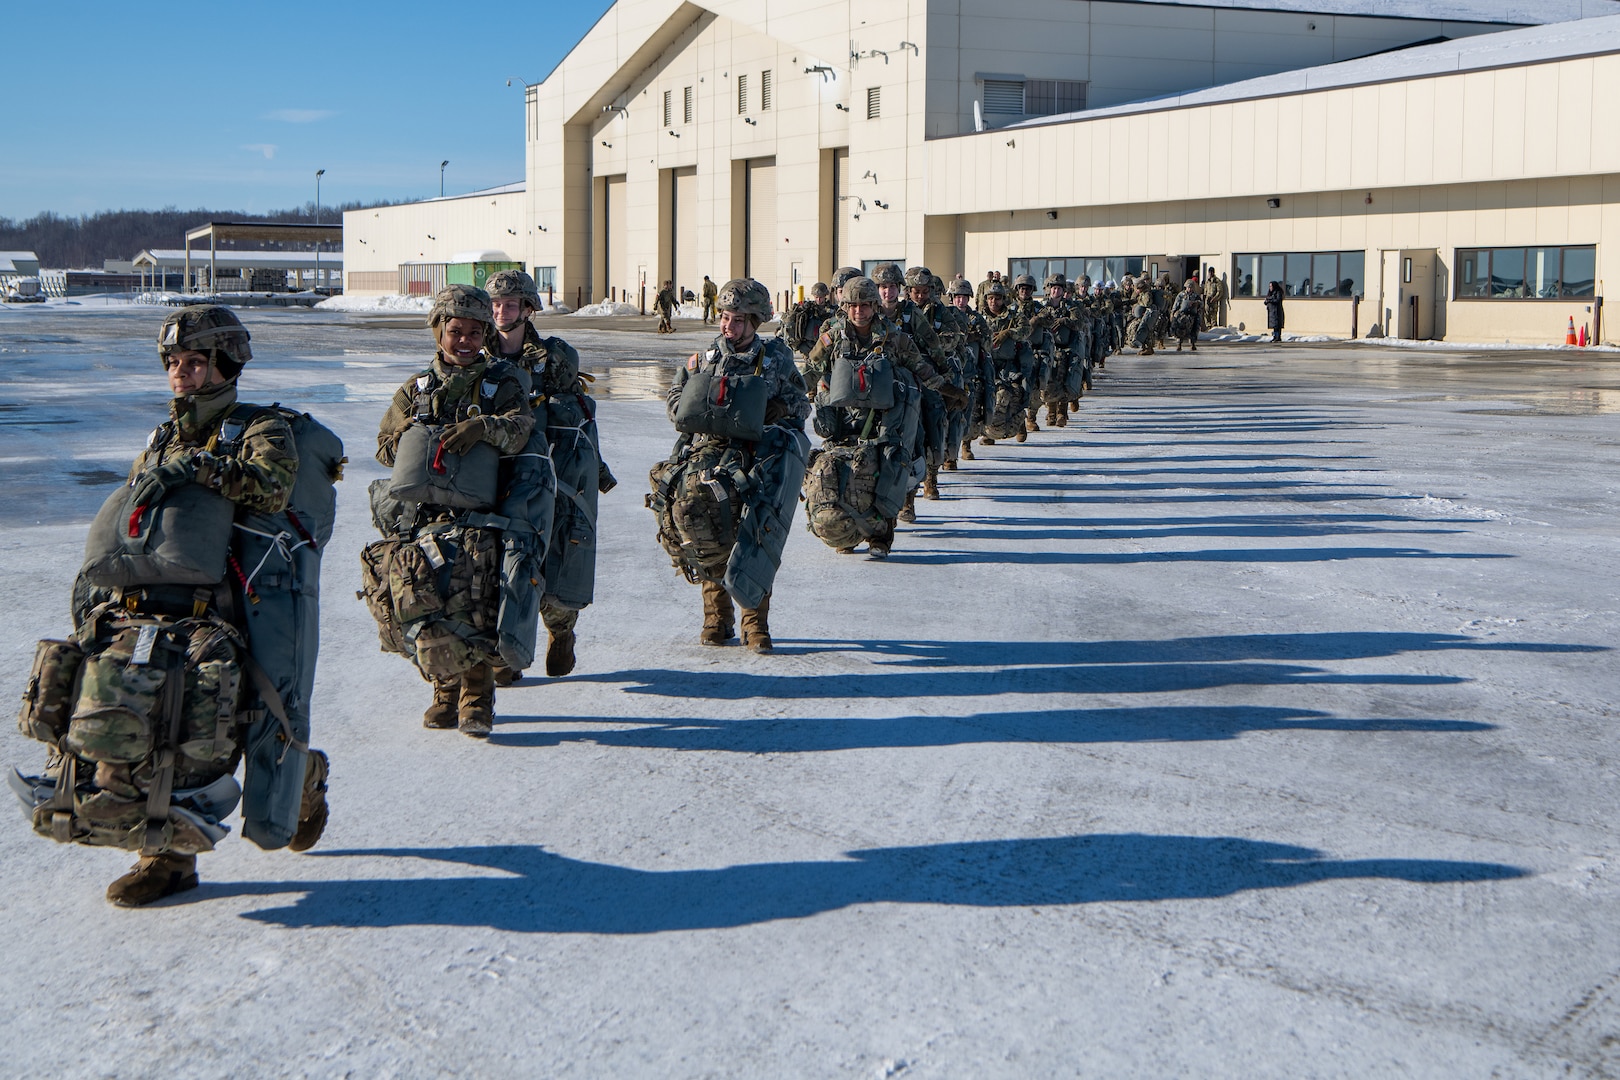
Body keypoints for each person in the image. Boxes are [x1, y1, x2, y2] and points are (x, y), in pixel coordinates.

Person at [20, 305, 333, 907]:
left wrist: (197, 467)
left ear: (225, 365)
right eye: (173, 362)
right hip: (146, 608)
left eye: (194, 362)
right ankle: (166, 857)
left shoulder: (262, 427)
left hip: (228, 608)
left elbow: (271, 484)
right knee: (148, 721)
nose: (181, 373)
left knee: (232, 723)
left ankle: (301, 783)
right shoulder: (163, 435)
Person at [375, 285, 534, 735]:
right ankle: (444, 690)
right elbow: (385, 449)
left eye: (473, 333)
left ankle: (476, 696)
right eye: (455, 331)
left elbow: (521, 430)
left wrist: (484, 427)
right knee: (424, 600)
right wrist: (410, 435)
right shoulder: (415, 390)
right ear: (438, 332)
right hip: (424, 517)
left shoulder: (501, 384)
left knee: (476, 601)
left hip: (485, 515)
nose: (464, 341)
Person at [654, 279, 809, 650]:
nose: (729, 326)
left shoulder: (775, 360)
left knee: (756, 530)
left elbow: (802, 405)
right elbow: (676, 397)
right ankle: (717, 617)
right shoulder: (705, 359)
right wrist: (687, 409)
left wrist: (781, 409)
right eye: (725, 317)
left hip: (760, 454)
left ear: (756, 321)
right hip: (711, 453)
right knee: (702, 521)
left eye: (738, 319)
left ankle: (755, 622)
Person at [484, 269, 615, 684]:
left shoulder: (554, 358)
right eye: (495, 304)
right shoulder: (475, 353)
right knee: (494, 564)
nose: (500, 312)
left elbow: (575, 418)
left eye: (509, 304)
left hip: (547, 471)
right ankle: (503, 655)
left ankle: (561, 631)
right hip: (490, 474)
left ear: (527, 310)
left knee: (553, 561)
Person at [803, 277, 963, 558]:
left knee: (886, 471)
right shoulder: (833, 335)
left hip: (884, 418)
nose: (858, 311)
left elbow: (921, 368)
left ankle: (882, 535)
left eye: (864, 305)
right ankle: (847, 530)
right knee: (836, 470)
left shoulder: (894, 336)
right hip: (841, 417)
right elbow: (811, 369)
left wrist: (947, 389)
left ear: (874, 306)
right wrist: (784, 395)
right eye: (853, 305)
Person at [1170, 277, 1204, 352]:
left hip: (1192, 315)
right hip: (1182, 314)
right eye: (1188, 287)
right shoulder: (1181, 295)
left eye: (1191, 287)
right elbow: (1176, 304)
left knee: (1195, 327)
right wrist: (1173, 312)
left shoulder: (1195, 296)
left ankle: (1193, 343)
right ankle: (1179, 343)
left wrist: (1197, 303)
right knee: (1179, 327)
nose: (1189, 289)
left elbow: (1201, 304)